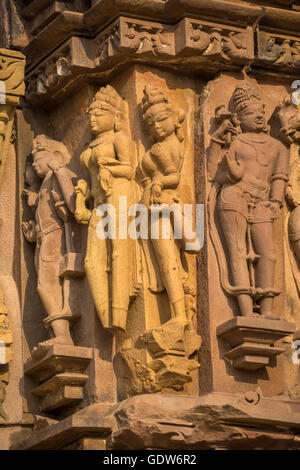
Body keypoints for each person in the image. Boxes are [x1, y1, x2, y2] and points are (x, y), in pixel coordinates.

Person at [208, 81, 289, 319]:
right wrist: (217, 141)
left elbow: (279, 177)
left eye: (261, 112)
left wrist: (275, 201)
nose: (259, 116)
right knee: (238, 251)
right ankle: (244, 310)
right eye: (252, 113)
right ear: (239, 118)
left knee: (268, 253)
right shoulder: (235, 141)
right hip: (234, 197)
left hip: (263, 201)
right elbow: (214, 173)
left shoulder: (278, 147)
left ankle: (266, 309)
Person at [75, 85, 138, 332]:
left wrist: (108, 169)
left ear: (115, 117)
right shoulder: (90, 148)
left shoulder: (119, 139)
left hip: (120, 194)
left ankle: (119, 316)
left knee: (119, 251)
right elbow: (90, 185)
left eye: (99, 114)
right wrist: (81, 199)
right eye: (91, 114)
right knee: (91, 261)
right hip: (100, 202)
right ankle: (105, 315)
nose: (93, 118)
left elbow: (131, 170)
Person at [137, 85, 197, 323]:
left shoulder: (163, 148)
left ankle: (180, 314)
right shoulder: (169, 145)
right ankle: (180, 312)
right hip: (156, 204)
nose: (157, 127)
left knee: (166, 258)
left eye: (162, 120)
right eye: (152, 125)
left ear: (176, 118)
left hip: (160, 204)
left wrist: (157, 182)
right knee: (166, 258)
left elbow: (175, 176)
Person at [22, 135, 76, 345]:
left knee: (47, 285)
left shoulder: (57, 176)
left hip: (55, 237)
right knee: (44, 285)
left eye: (39, 159)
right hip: (44, 240)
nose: (35, 165)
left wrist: (59, 170)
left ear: (54, 156)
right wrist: (33, 234)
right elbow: (43, 218)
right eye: (33, 162)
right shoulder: (44, 184)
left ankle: (64, 336)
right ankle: (58, 333)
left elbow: (72, 204)